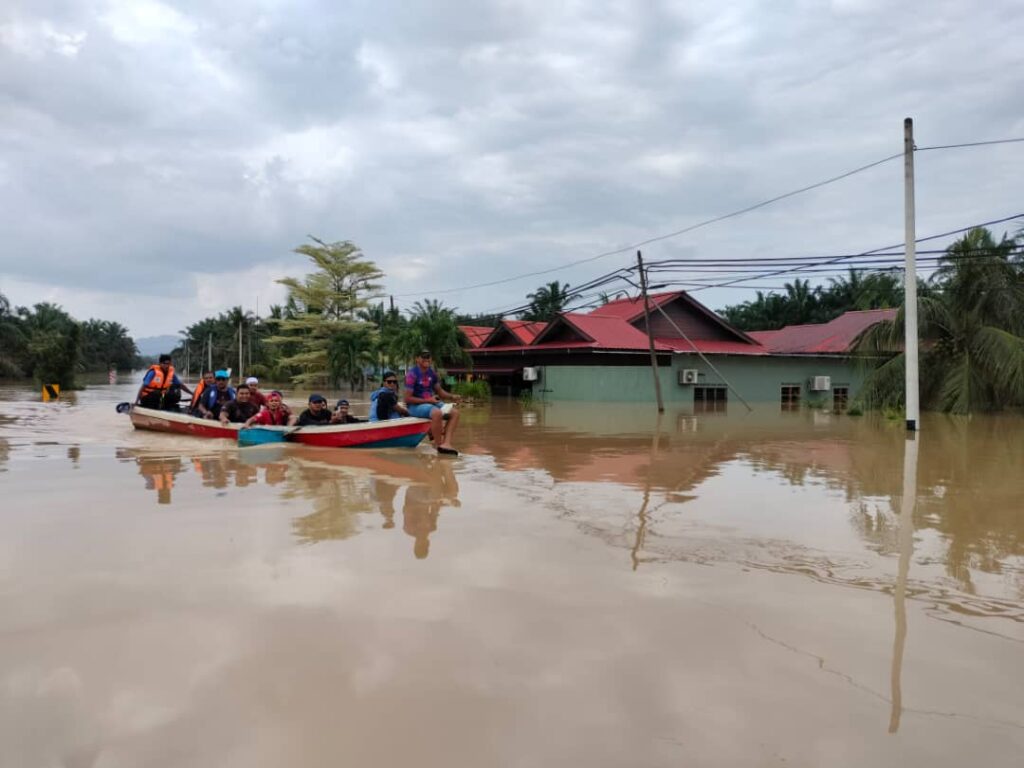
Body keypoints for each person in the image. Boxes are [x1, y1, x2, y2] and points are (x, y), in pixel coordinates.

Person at [404, 350, 460, 455]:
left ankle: (446, 444)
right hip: (415, 406)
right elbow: (407, 399)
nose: (426, 359)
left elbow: (440, 392)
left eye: (428, 356)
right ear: (417, 359)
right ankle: (438, 445)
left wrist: (452, 396)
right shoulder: (412, 375)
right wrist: (428, 400)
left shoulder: (432, 373)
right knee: (437, 413)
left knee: (455, 413)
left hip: (432, 403)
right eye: (423, 356)